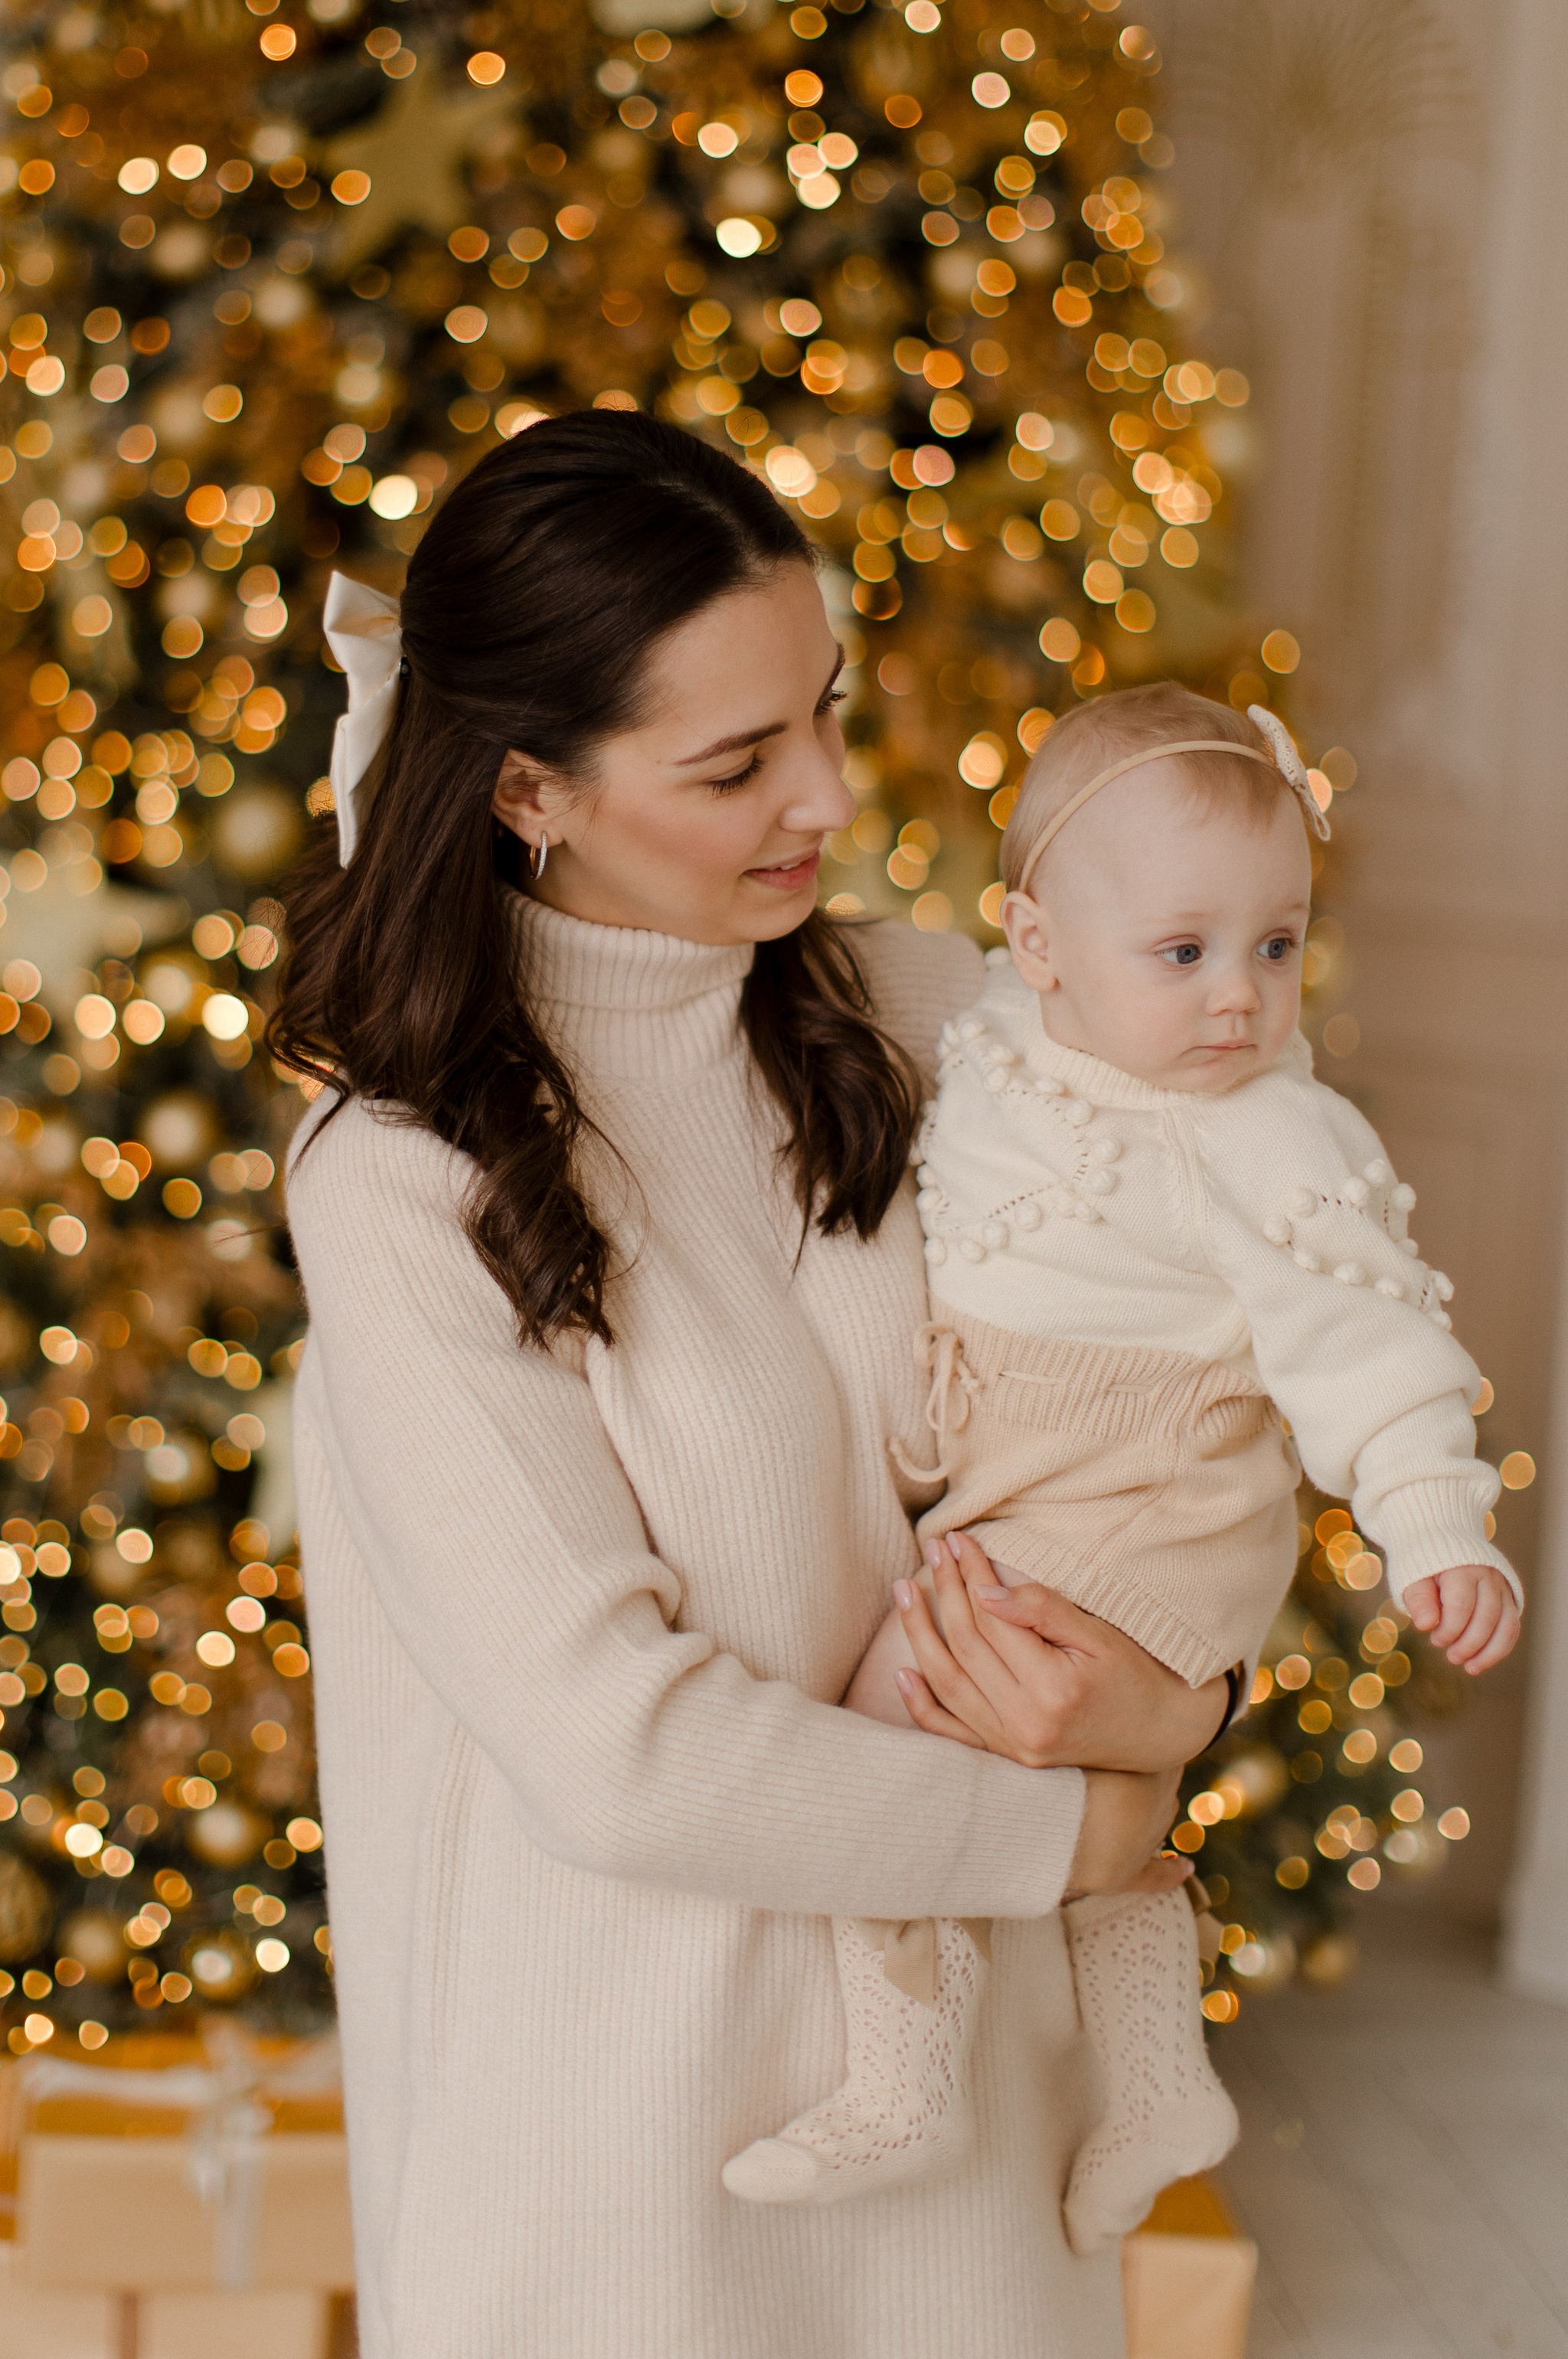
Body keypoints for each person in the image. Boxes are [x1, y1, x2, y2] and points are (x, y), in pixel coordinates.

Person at [271, 413, 1233, 2359]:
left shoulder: (953, 1022)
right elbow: (608, 1744)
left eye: (822, 708)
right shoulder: (400, 1185)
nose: (822, 789)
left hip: (976, 2144)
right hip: (618, 2175)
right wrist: (1079, 1832)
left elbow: (1161, 1427)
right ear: (530, 790)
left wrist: (1173, 1697)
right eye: (732, 763)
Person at [724, 684, 1521, 2245]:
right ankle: (1156, 2081)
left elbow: (1368, 1343)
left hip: (1145, 1491)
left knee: (888, 1730)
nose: (1237, 998)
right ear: (1037, 949)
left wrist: (1435, 1525)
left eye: (1274, 946)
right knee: (1094, 1789)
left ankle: (903, 2071)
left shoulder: (1265, 1138)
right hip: (1028, 1475)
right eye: (1182, 952)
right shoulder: (987, 1037)